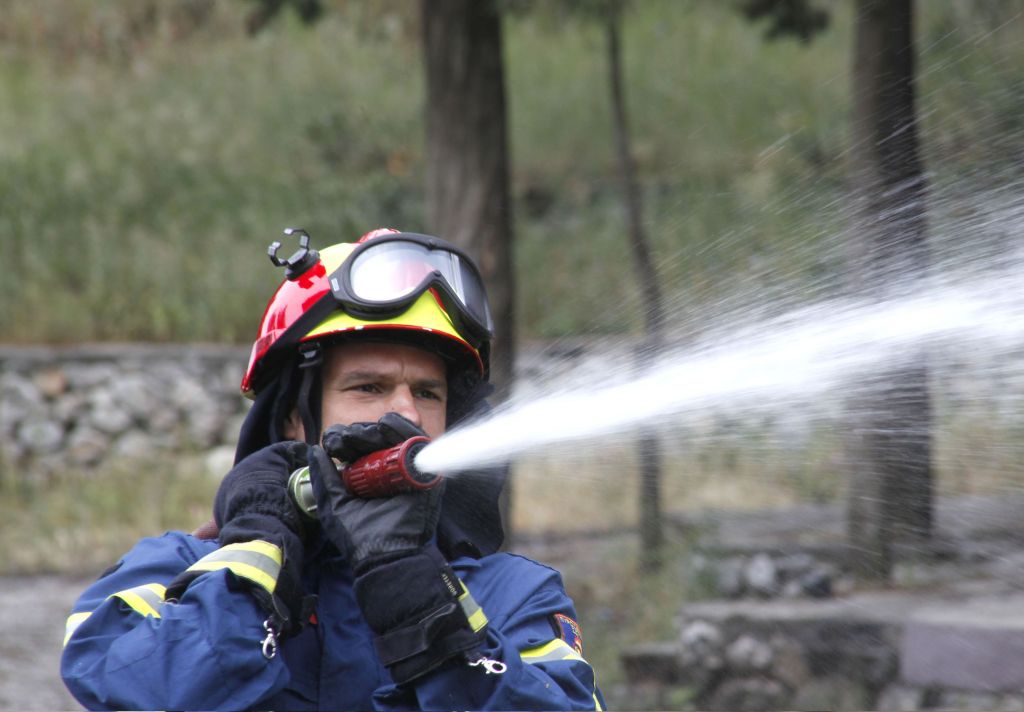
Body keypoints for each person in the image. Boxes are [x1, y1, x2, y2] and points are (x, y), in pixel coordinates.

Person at [60, 228, 605, 711]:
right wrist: (258, 550)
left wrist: (415, 593)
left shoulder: (514, 593)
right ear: (295, 417)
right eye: (368, 387)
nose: (408, 415)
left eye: (427, 393)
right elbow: (139, 687)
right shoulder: (175, 569)